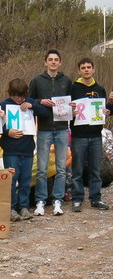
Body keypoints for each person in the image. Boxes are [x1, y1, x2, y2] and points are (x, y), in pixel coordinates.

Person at [29, 49, 72, 216]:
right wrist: (40, 101)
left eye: (56, 60)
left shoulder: (66, 80)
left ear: (60, 63)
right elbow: (29, 101)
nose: (53, 62)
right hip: (44, 129)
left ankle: (57, 200)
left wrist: (73, 108)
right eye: (50, 59)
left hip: (61, 128)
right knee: (41, 168)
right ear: (45, 62)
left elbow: (72, 101)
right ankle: (41, 201)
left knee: (61, 168)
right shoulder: (37, 81)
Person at [0, 79, 48, 221]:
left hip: (27, 149)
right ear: (10, 93)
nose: (19, 99)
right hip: (11, 150)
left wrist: (33, 104)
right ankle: (12, 208)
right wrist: (7, 132)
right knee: (12, 180)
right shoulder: (3, 104)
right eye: (16, 96)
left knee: (25, 180)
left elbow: (45, 113)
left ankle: (24, 207)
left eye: (21, 96)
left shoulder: (29, 102)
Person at [71, 58, 111, 212]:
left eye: (89, 67)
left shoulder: (100, 89)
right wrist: (71, 112)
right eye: (83, 67)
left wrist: (107, 111)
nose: (86, 70)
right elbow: (66, 110)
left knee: (96, 169)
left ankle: (96, 198)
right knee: (77, 170)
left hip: (95, 135)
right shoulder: (73, 88)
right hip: (78, 135)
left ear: (93, 69)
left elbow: (104, 110)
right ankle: (77, 199)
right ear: (79, 71)